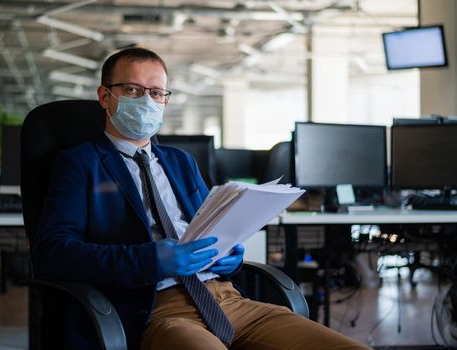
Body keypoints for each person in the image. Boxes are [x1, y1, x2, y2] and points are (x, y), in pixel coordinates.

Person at [33, 47, 369, 350]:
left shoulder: (181, 162)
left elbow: (209, 224)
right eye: (132, 90)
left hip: (228, 299)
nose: (147, 100)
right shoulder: (80, 163)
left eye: (156, 92)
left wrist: (230, 254)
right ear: (105, 96)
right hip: (156, 307)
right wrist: (150, 260)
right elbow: (54, 253)